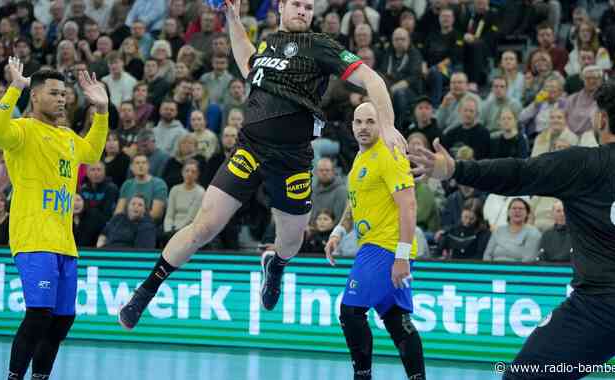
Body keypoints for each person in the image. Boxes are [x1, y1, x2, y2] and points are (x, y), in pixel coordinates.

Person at [119, 0, 406, 329]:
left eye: (309, 7)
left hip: (292, 158)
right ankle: (145, 291)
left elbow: (374, 81)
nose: (303, 10)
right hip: (250, 149)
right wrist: (233, 18)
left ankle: (276, 264)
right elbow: (246, 60)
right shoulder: (268, 43)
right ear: (281, 7)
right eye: (296, 4)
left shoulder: (319, 46)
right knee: (204, 226)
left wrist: (386, 125)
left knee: (291, 240)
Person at [410, 79, 615, 379]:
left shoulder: (585, 163)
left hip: (600, 306)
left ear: (602, 118)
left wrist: (456, 169)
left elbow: (518, 173)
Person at [0, 57, 109, 380]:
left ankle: (40, 378)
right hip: (34, 237)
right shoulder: (23, 131)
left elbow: (92, 153)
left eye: (64, 94)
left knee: (62, 320)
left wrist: (103, 111)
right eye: (54, 93)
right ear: (35, 96)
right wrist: (14, 88)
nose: (62, 99)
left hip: (65, 243)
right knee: (39, 315)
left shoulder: (67, 136)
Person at [324, 102, 424, 380]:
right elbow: (354, 204)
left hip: (386, 247)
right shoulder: (360, 157)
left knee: (351, 312)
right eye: (359, 122)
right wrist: (338, 233)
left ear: (381, 125)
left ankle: (362, 377)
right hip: (375, 245)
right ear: (352, 126)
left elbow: (409, 206)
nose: (364, 127)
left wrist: (402, 256)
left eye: (370, 121)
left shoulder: (390, 154)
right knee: (396, 321)